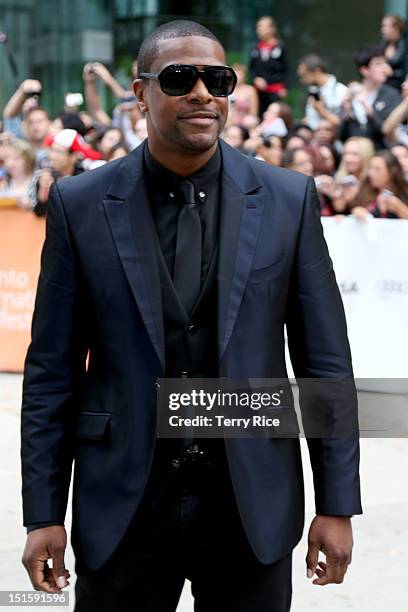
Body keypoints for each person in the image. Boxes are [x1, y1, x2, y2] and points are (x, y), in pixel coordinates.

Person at [21, 20, 362, 612]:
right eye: (180, 78)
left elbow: (324, 364)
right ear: (141, 91)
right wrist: (43, 513)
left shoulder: (287, 199)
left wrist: (336, 502)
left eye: (218, 79)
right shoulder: (80, 207)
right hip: (122, 506)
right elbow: (51, 373)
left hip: (250, 504)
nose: (202, 92)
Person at [339, 46, 401, 149]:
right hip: (355, 155)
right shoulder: (350, 95)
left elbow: (388, 132)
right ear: (364, 70)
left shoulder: (391, 95)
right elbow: (341, 137)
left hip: (381, 155)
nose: (384, 68)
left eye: (385, 63)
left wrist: (369, 110)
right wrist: (346, 114)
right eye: (378, 64)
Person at [249, 16, 288, 117]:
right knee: (259, 116)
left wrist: (284, 87)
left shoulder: (280, 47)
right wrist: (256, 79)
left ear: (272, 29)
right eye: (258, 27)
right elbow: (251, 68)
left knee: (274, 117)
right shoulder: (255, 48)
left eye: (263, 27)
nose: (260, 30)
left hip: (275, 91)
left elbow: (287, 70)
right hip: (259, 92)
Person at [351, 149, 408, 219]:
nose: (370, 173)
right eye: (370, 168)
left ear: (391, 172)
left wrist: (399, 208)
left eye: (377, 169)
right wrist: (357, 211)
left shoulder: (404, 194)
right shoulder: (364, 192)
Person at [297, 54, 348, 130]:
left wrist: (321, 111)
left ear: (317, 71)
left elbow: (342, 123)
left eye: (304, 75)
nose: (301, 80)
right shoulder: (313, 91)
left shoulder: (341, 90)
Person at [0, 138, 36, 210]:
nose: (11, 163)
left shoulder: (37, 181)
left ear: (28, 159)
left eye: (17, 158)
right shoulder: (3, 183)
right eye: (7, 158)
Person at [381, 14, 406, 90]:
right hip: (382, 87)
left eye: (385, 26)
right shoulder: (383, 45)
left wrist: (393, 73)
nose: (382, 30)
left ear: (395, 28)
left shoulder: (404, 48)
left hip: (397, 90)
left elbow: (404, 72)